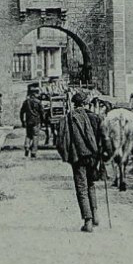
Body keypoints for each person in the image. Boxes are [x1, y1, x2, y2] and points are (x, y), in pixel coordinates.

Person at [53, 89, 110, 232]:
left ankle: (88, 221)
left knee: (81, 188)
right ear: (86, 103)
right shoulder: (96, 118)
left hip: (78, 158)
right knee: (91, 184)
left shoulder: (68, 118)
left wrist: (67, 154)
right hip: (93, 157)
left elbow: (61, 140)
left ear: (74, 104)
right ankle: (95, 215)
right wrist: (106, 154)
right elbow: (105, 139)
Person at [19, 83, 43, 158]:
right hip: (36, 121)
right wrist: (43, 120)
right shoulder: (38, 102)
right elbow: (42, 112)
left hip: (28, 121)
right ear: (35, 93)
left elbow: (21, 112)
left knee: (28, 135)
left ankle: (26, 146)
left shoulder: (26, 102)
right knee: (35, 136)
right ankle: (33, 151)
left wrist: (22, 121)